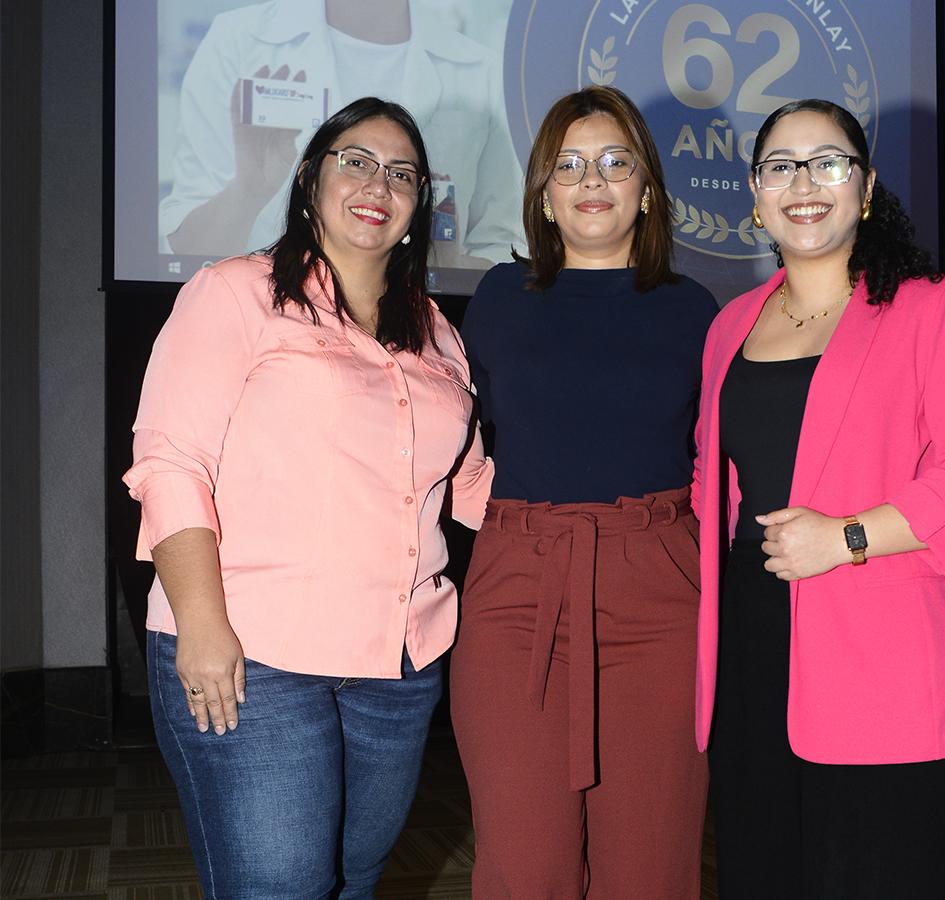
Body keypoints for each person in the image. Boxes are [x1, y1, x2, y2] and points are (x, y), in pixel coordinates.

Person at [124, 97, 493, 897]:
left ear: (419, 202)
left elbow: (468, 486)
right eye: (355, 160)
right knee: (281, 886)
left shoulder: (437, 332)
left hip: (399, 665)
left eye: (402, 172)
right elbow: (170, 463)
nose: (377, 183)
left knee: (354, 881)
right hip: (255, 654)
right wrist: (202, 626)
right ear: (309, 178)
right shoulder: (235, 293)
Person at [692, 99, 945, 898]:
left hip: (885, 662)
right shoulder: (730, 324)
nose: (804, 184)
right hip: (750, 657)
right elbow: (714, 482)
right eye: (781, 166)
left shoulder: (936, 305)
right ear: (755, 192)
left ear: (866, 188)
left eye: (828, 162)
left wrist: (847, 537)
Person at [450, 85, 717, 898]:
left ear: (647, 188)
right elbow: (458, 437)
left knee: (650, 865)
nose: (590, 179)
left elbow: (716, 459)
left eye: (613, 161)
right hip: (518, 595)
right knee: (524, 864)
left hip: (660, 597)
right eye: (566, 165)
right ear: (542, 192)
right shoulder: (498, 298)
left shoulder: (694, 309)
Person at [159, 0, 523, 267]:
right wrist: (249, 189)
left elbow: (502, 244)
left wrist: (443, 267)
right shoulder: (237, 42)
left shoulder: (480, 70)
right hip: (267, 330)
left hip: (420, 330)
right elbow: (186, 249)